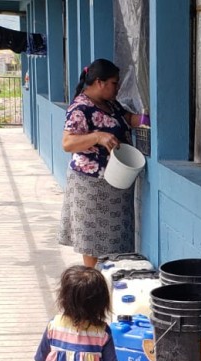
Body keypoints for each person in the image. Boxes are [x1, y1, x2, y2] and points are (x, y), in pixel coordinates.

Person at [58, 58, 142, 268]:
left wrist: (148, 119)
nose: (117, 87)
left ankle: (110, 282)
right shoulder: (80, 108)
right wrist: (97, 137)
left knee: (116, 239)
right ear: (99, 82)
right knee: (93, 241)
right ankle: (93, 286)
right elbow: (68, 143)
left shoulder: (110, 104)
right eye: (114, 83)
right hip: (90, 185)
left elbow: (128, 119)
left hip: (116, 182)